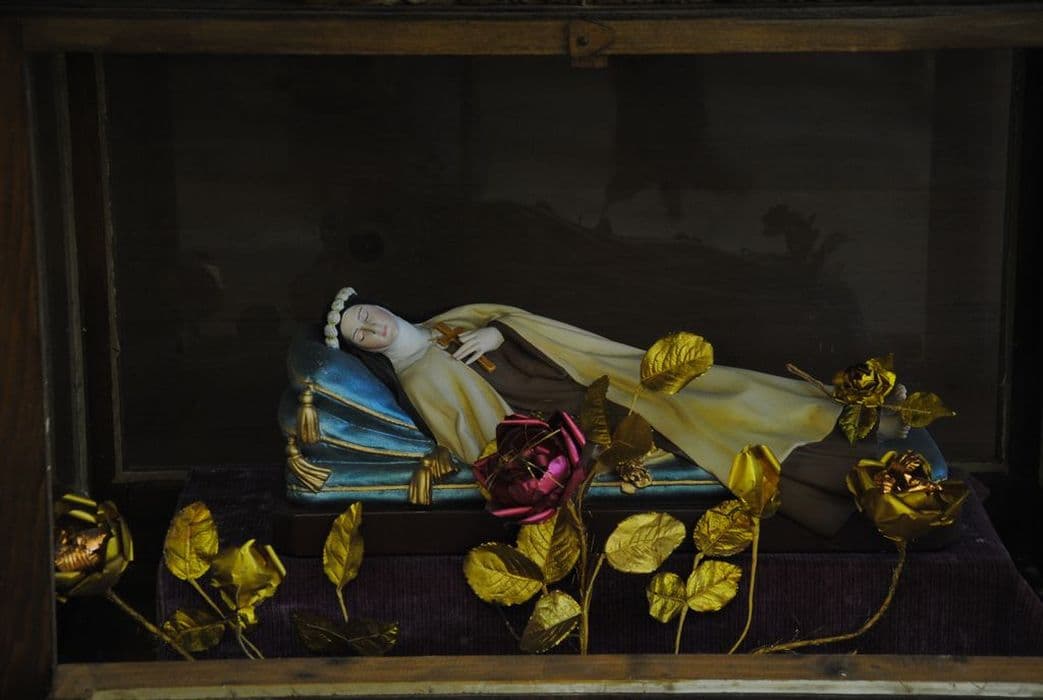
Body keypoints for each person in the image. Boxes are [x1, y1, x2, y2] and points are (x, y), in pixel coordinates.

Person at [322, 286, 907, 535]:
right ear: (364, 349)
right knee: (702, 428)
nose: (372, 327)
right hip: (572, 412)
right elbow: (473, 429)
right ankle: (854, 480)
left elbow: (519, 321)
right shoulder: (420, 375)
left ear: (379, 306)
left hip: (583, 371)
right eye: (360, 335)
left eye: (366, 315)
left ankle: (867, 420)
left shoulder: (443, 322)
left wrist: (500, 333)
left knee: (718, 391)